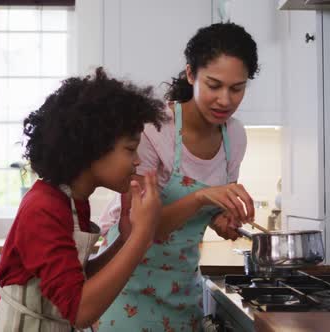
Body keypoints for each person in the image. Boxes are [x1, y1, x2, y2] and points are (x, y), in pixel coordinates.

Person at [0, 67, 167, 332]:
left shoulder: (72, 200)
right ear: (93, 147)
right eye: (130, 149)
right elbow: (80, 311)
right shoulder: (43, 207)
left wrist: (125, 238)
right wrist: (143, 234)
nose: (137, 160)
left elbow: (75, 281)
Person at [96, 22, 259, 331]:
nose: (225, 100)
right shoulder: (155, 128)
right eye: (214, 85)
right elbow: (138, 228)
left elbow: (207, 211)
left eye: (237, 88)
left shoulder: (234, 136)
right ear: (190, 74)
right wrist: (201, 198)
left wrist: (222, 218)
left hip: (181, 289)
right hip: (126, 287)